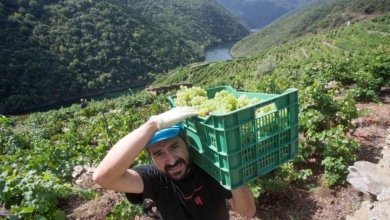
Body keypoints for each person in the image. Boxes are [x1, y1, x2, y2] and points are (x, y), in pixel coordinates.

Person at [93, 107, 256, 219]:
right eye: (158, 153)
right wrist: (152, 125)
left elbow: (248, 211)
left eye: (174, 146)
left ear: (187, 142)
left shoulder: (210, 167)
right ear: (151, 158)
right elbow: (103, 177)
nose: (171, 161)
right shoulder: (154, 178)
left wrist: (231, 171)